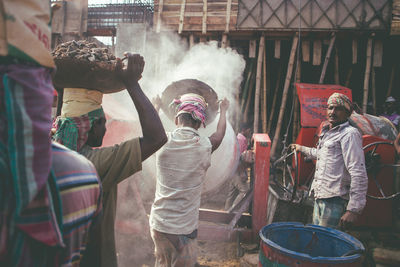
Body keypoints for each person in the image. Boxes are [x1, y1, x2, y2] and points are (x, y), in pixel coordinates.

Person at [53, 53, 167, 267]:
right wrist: (131, 83)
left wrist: (62, 88)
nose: (105, 128)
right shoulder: (93, 164)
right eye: (102, 122)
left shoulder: (51, 151)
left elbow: (64, 118)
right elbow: (157, 137)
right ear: (90, 125)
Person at [149, 93, 229, 267]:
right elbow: (220, 134)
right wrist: (223, 111)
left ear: (177, 120)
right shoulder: (204, 146)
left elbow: (151, 128)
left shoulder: (162, 141)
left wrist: (155, 106)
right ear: (200, 123)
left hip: (158, 225)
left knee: (162, 263)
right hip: (183, 230)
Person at [292, 92, 368, 229]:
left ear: (348, 113)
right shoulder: (328, 132)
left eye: (338, 109)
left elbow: (358, 170)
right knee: (318, 239)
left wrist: (354, 209)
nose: (333, 112)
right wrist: (300, 148)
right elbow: (321, 154)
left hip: (335, 201)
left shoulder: (349, 134)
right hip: (320, 196)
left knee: (327, 244)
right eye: (330, 108)